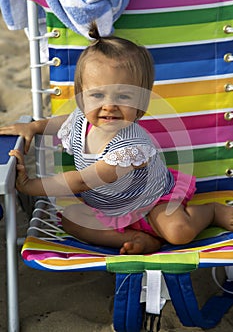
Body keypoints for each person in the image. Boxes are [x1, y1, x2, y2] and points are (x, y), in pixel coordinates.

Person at [0, 27, 233, 255]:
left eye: (123, 96)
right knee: (71, 219)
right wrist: (33, 126)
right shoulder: (82, 120)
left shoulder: (130, 148)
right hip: (108, 209)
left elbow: (82, 182)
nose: (109, 105)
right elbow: (60, 122)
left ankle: (210, 212)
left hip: (153, 204)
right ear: (83, 98)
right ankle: (135, 239)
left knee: (179, 232)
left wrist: (30, 185)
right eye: (98, 95)